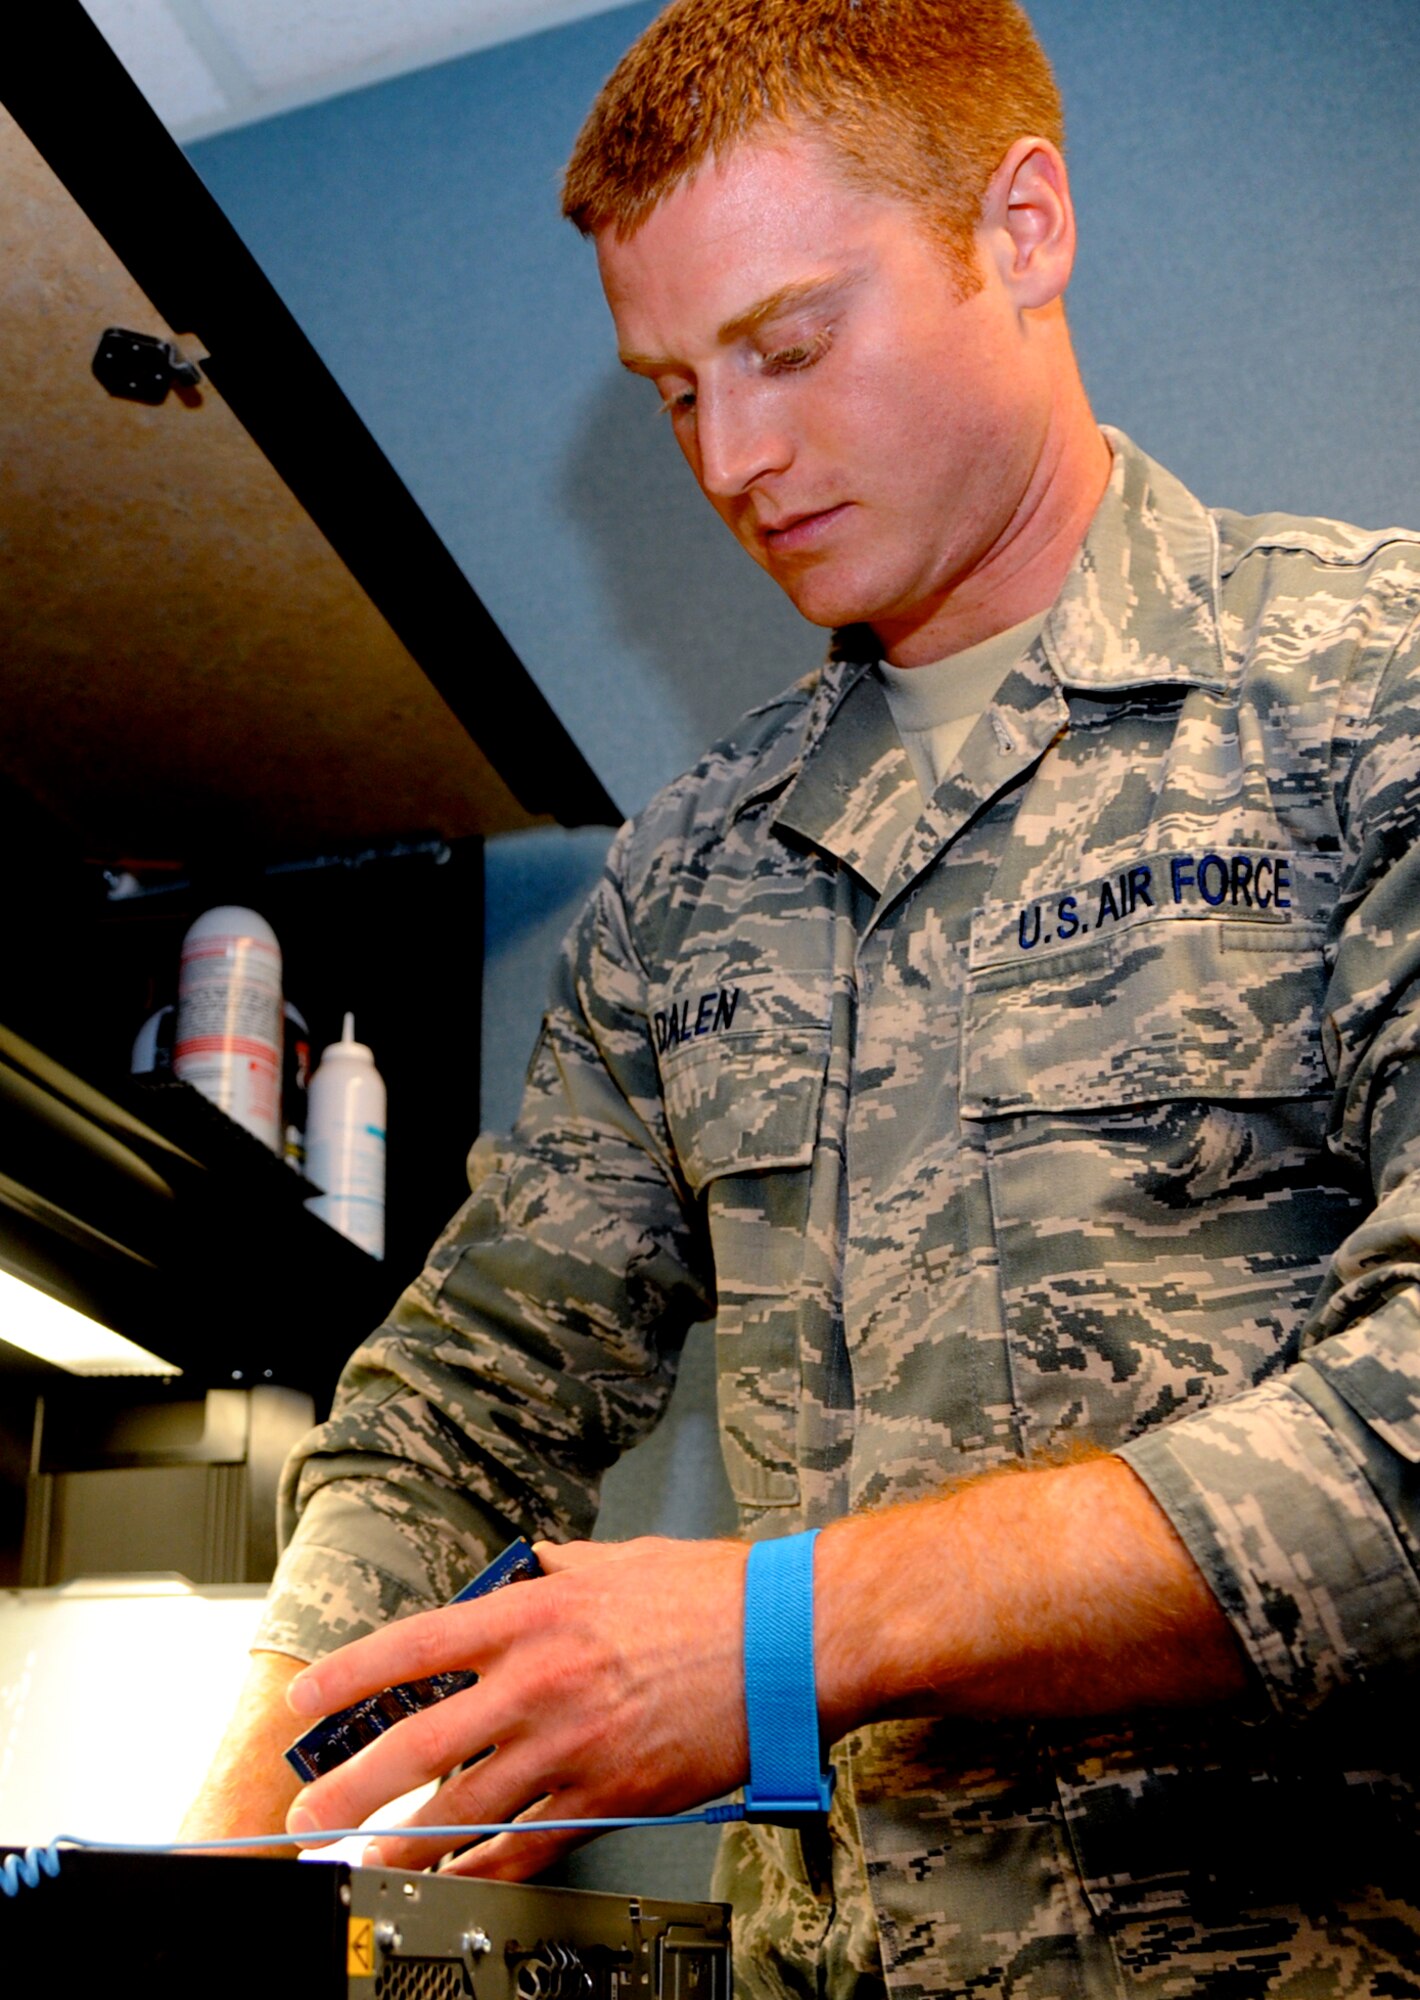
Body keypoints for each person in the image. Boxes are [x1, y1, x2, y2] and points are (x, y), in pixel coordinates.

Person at [184, 1, 1420, 1991]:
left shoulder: (1371, 694)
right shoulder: (691, 876)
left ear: (1021, 225)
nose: (734, 462)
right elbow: (456, 1407)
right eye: (672, 390)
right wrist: (251, 1816)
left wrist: (772, 1641)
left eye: (785, 344)